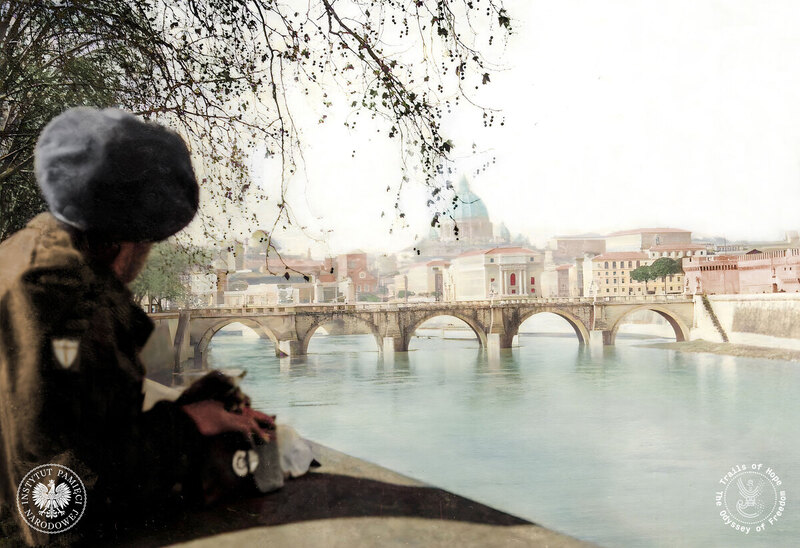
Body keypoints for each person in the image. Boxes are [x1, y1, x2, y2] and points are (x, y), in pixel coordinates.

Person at [0, 108, 275, 545]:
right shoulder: (73, 305)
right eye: (151, 242)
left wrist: (188, 410)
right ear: (128, 241)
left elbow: (80, 431)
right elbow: (59, 502)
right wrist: (188, 427)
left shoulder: (19, 256)